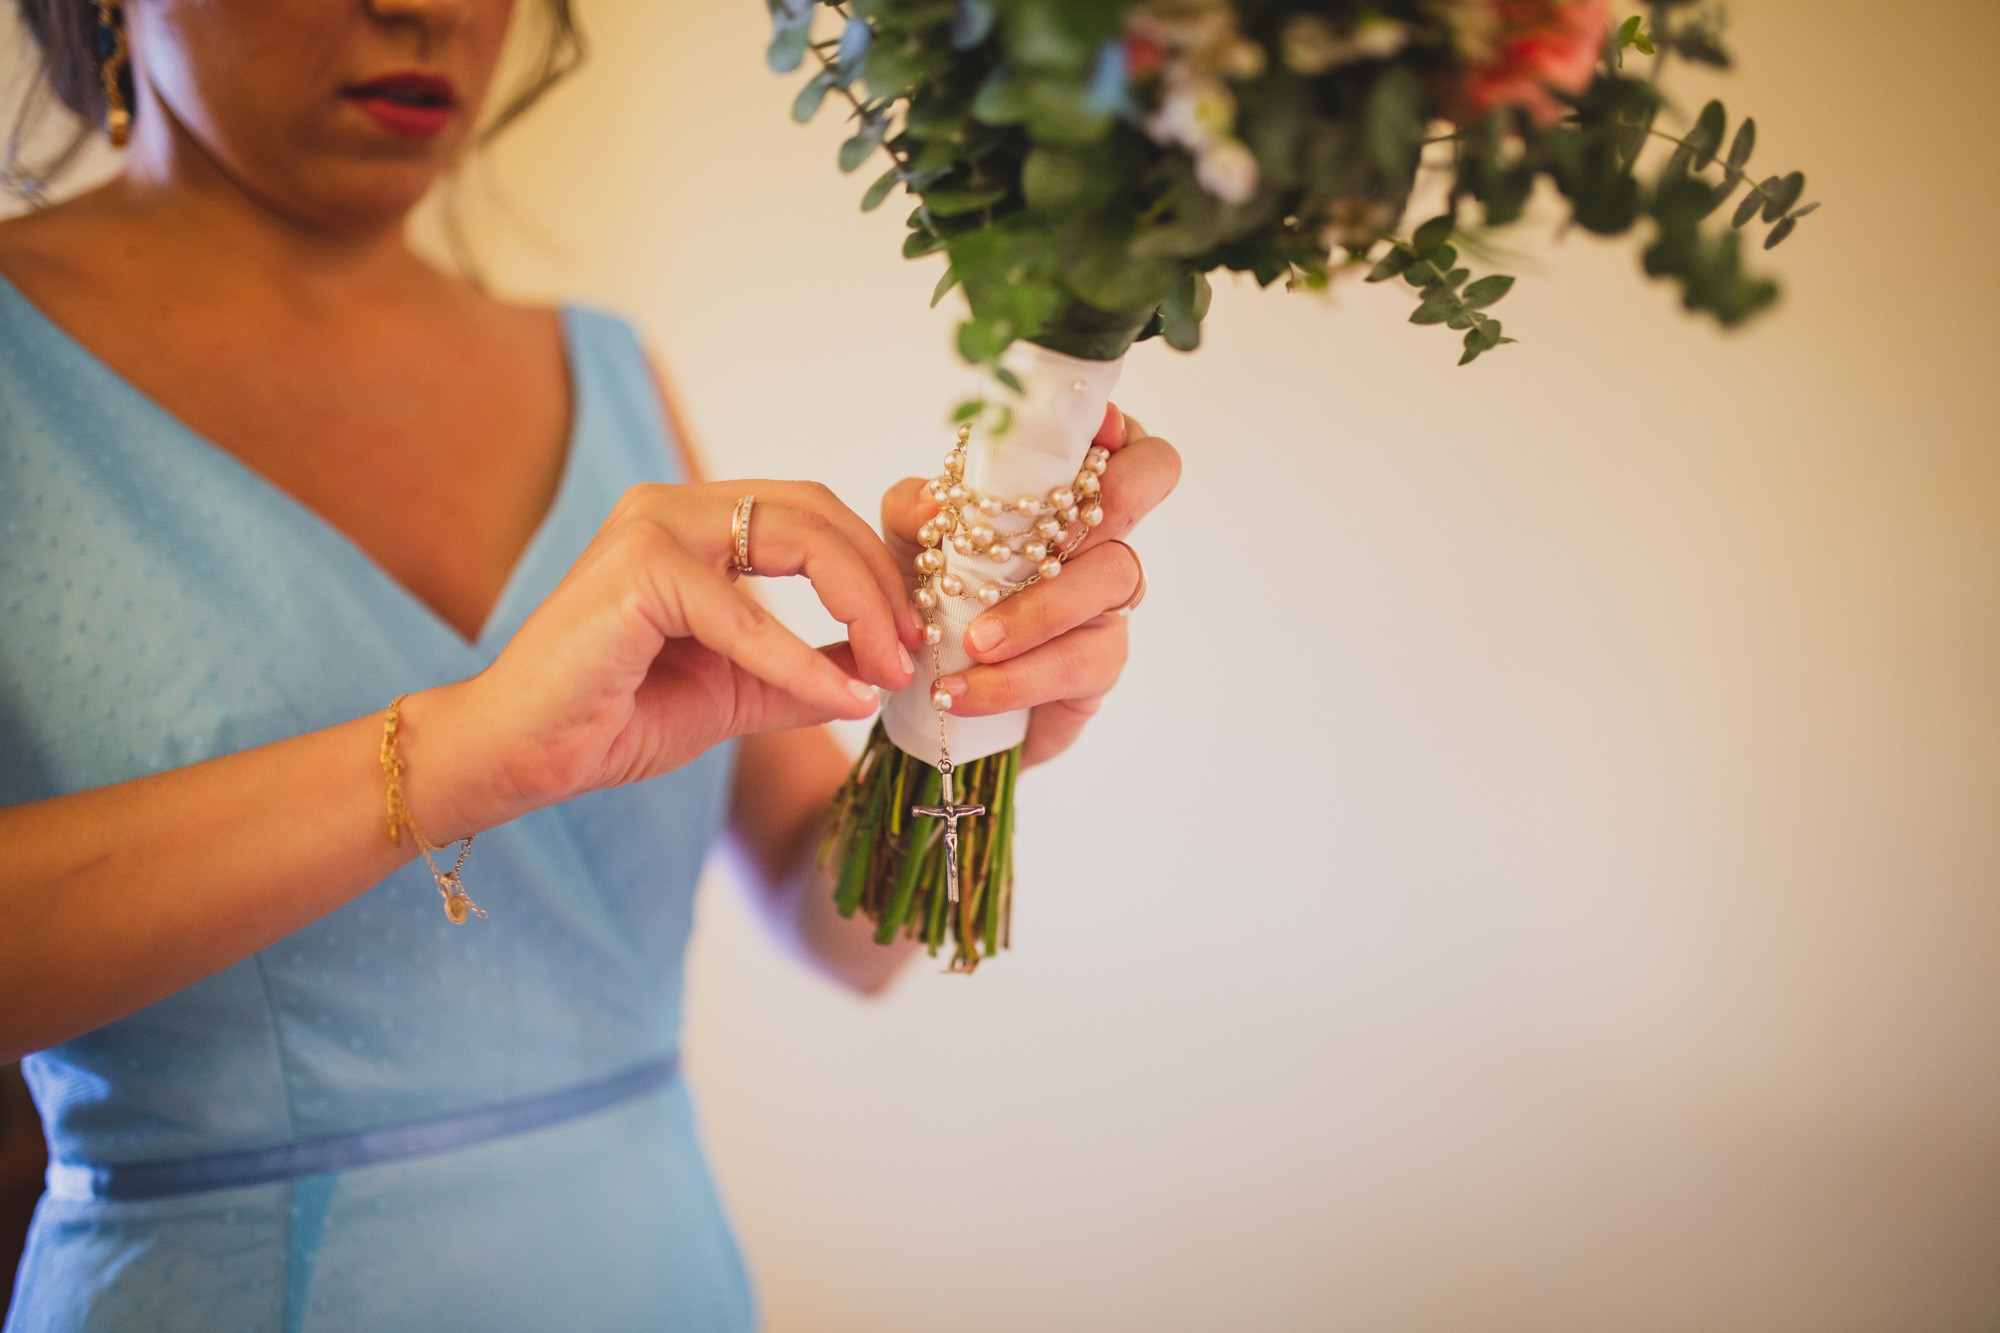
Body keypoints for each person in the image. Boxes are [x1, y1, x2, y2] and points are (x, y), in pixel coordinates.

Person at [0, 1, 1179, 1328]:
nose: (431, 9)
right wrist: (452, 754)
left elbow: (834, 921)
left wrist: (959, 698)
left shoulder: (608, 369)